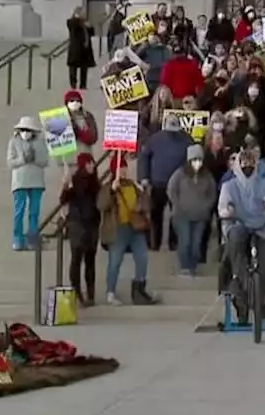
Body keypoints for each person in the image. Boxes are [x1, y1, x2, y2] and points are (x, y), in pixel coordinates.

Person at [217, 149, 265, 323]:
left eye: (251, 166)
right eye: (244, 166)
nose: (248, 170)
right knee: (236, 261)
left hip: (260, 227)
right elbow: (221, 208)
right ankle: (239, 298)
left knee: (264, 264)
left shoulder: (264, 184)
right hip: (237, 224)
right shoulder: (229, 186)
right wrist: (227, 211)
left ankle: (260, 302)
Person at [97, 157, 159, 305]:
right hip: (118, 228)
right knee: (115, 261)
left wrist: (142, 199)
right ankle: (110, 292)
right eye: (120, 168)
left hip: (135, 227)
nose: (124, 171)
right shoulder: (108, 187)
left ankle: (139, 288)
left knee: (142, 258)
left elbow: (147, 203)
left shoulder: (133, 186)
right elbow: (101, 205)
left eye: (124, 168)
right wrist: (112, 190)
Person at [138, 114, 192, 251]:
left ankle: (173, 243)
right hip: (158, 183)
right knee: (156, 215)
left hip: (178, 184)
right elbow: (144, 158)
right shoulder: (155, 139)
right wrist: (144, 177)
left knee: (177, 215)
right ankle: (154, 243)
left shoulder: (186, 140)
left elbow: (192, 159)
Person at [167, 145, 217, 277]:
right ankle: (184, 268)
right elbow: (171, 190)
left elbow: (212, 193)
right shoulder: (179, 174)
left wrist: (206, 206)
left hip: (200, 216)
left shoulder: (207, 176)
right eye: (194, 159)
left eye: (199, 159)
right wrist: (178, 205)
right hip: (182, 216)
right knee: (185, 242)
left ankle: (192, 267)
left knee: (196, 244)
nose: (197, 163)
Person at [58, 152, 101, 306]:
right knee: (77, 258)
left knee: (90, 260)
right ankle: (76, 291)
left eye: (92, 163)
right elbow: (63, 200)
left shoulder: (95, 182)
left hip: (92, 225)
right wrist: (65, 186)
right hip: (77, 224)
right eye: (88, 163)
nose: (91, 166)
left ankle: (90, 293)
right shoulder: (75, 181)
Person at [7, 116, 49, 251]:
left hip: (36, 181)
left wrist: (34, 157)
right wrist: (23, 159)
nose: (25, 133)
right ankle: (17, 239)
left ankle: (32, 239)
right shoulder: (13, 142)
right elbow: (10, 162)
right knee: (19, 212)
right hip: (20, 182)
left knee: (34, 212)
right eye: (23, 130)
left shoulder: (40, 142)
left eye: (28, 130)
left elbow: (44, 161)